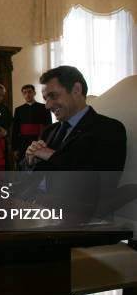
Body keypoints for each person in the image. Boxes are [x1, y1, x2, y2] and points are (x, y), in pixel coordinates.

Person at [23, 65, 126, 218]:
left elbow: (96, 182)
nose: (47, 105)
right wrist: (29, 160)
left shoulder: (109, 129)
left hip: (71, 214)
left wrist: (50, 154)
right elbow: (24, 174)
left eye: (53, 96)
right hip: (30, 203)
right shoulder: (49, 131)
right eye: (45, 99)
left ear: (76, 89)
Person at [12, 84, 52, 164]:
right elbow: (15, 129)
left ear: (34, 93)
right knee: (23, 165)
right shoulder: (18, 110)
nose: (27, 95)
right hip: (22, 143)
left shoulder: (44, 108)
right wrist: (15, 148)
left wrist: (47, 143)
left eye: (30, 92)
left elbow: (49, 127)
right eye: (25, 93)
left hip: (40, 141)